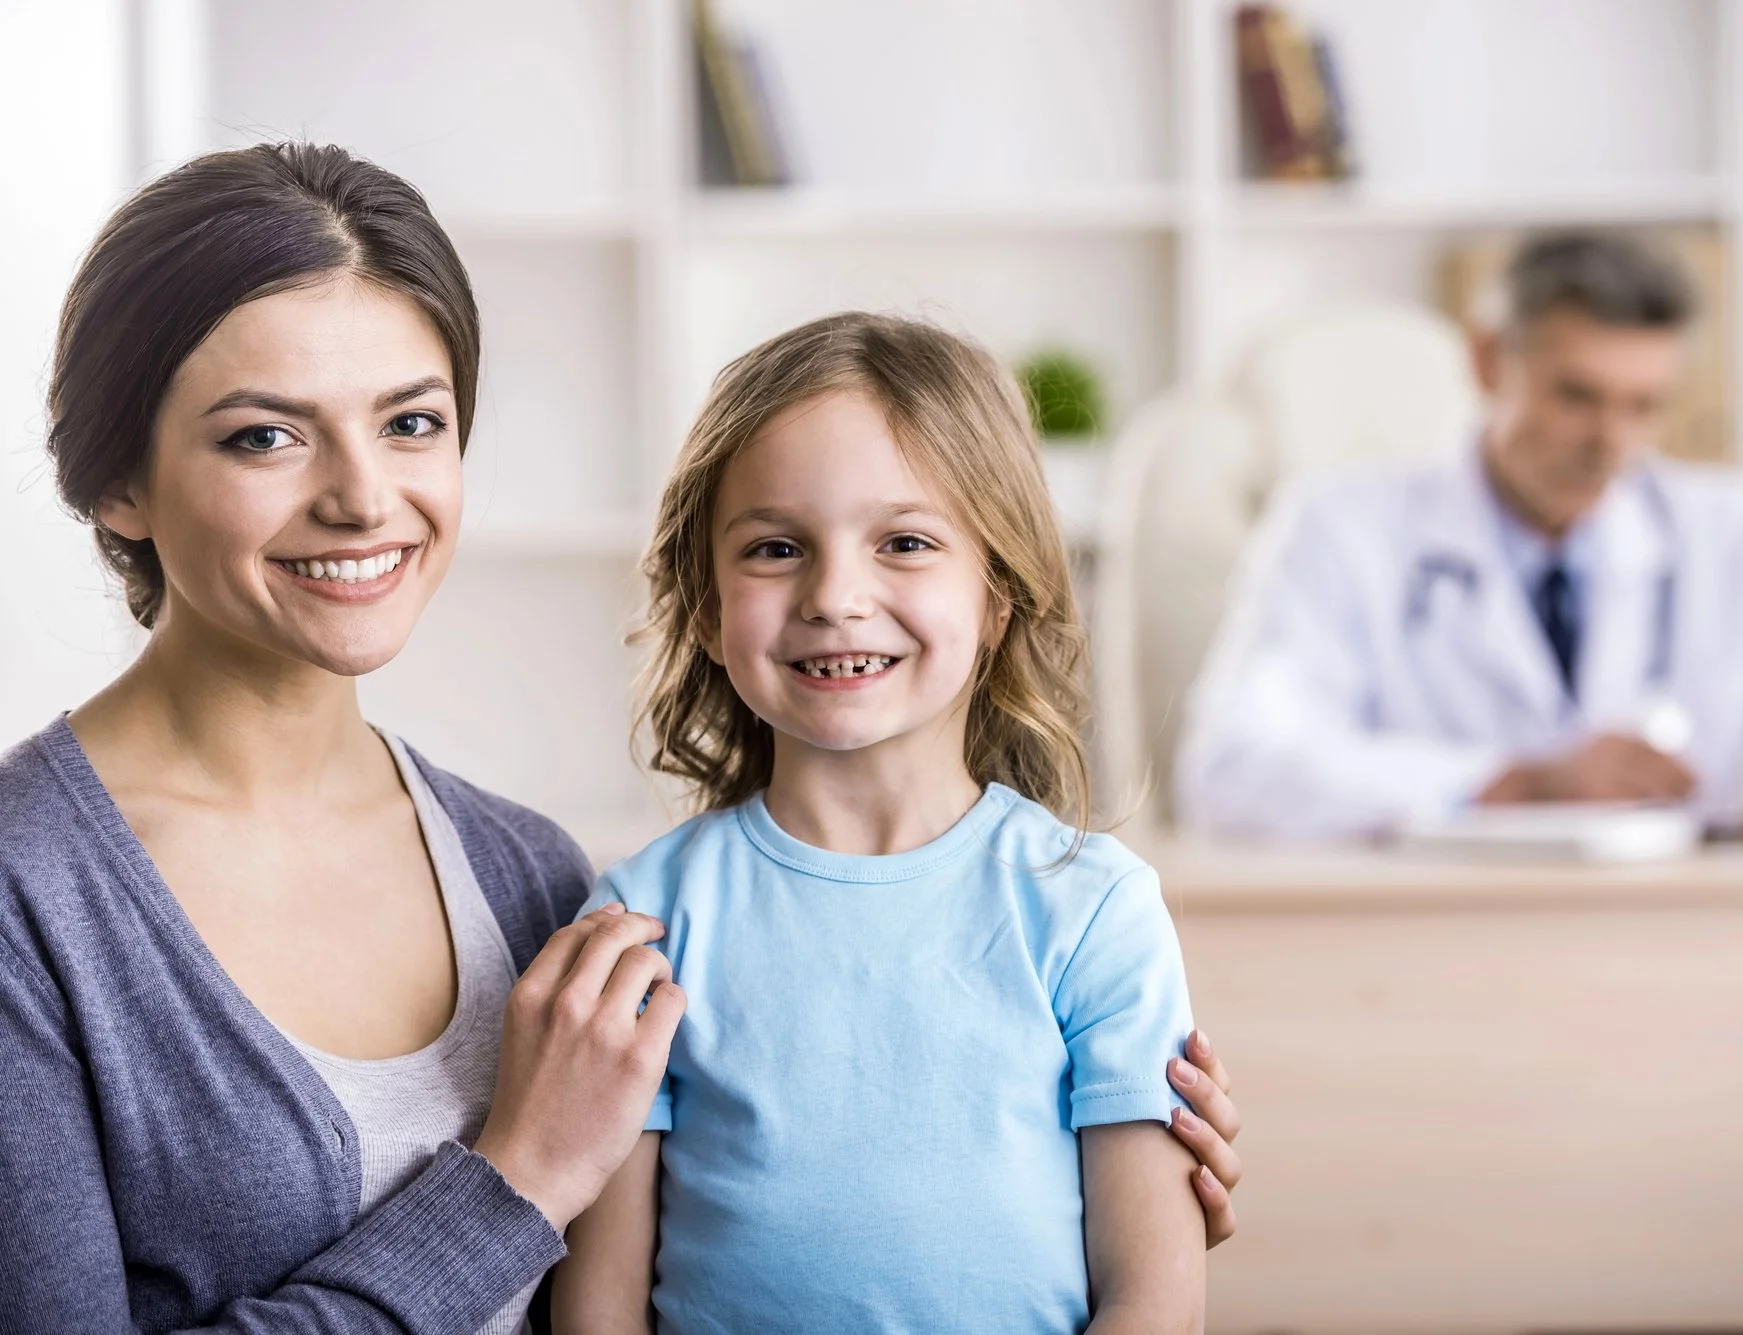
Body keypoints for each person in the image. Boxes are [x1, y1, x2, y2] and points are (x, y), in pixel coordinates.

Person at [0, 144, 1242, 1334]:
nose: (363, 497)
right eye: (263, 435)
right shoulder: (29, 895)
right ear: (116, 481)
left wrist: (1077, 1202)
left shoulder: (532, 882)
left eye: (411, 422)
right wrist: (516, 1181)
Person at [551, 314, 1207, 1334]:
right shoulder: (644, 918)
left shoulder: (1094, 910)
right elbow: (599, 1309)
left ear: (998, 595)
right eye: (775, 548)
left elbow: (1153, 1301)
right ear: (707, 606)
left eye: (904, 543)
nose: (836, 596)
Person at [1176, 231, 1743, 841]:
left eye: (1644, 405)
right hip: (1431, 950)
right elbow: (1234, 768)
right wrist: (1511, 783)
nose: (1612, 443)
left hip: (1682, 949)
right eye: (1577, 397)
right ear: (1489, 362)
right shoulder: (1341, 527)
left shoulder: (1734, 534)